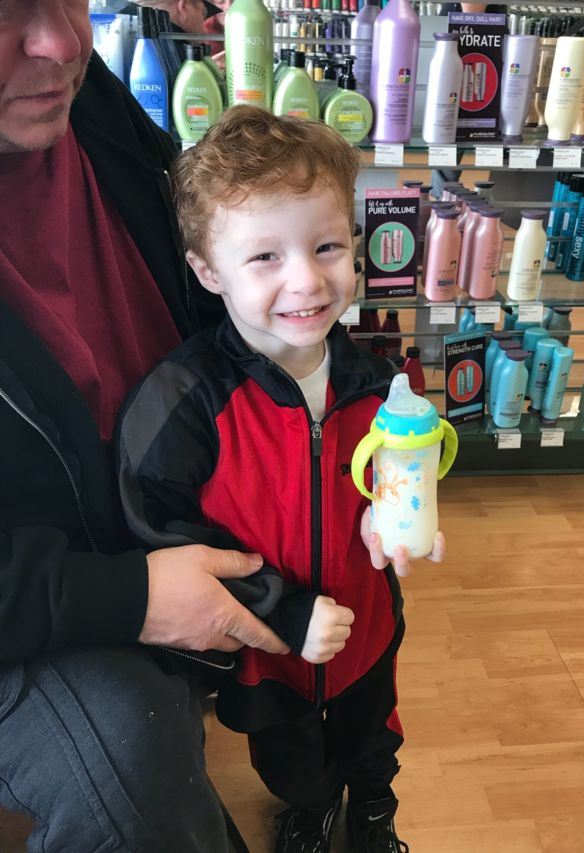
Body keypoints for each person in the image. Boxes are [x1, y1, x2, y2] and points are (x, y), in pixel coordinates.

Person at [117, 105, 446, 853]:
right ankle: (313, 806)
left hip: (366, 622)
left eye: (327, 245)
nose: (307, 278)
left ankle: (373, 812)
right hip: (266, 644)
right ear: (208, 271)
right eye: (266, 256)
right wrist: (283, 608)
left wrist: (392, 512)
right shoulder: (183, 401)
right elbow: (159, 533)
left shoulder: (378, 382)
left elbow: (396, 472)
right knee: (290, 756)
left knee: (374, 733)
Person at [0, 3, 289, 851]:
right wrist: (130, 599)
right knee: (132, 769)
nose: (61, 42)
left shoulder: (83, 98)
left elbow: (207, 276)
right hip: (38, 593)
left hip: (162, 512)